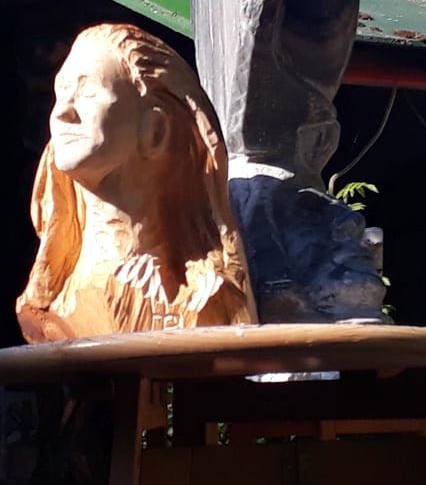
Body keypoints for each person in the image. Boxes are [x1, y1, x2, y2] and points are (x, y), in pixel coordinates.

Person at [16, 23, 257, 342]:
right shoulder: (50, 305)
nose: (62, 112)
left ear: (155, 129)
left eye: (89, 93)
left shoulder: (207, 295)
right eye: (61, 92)